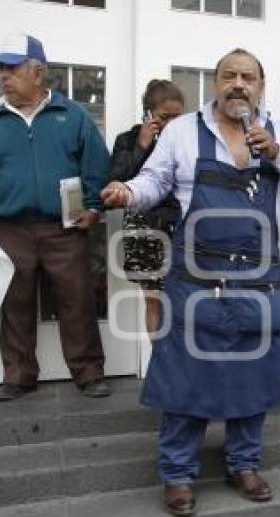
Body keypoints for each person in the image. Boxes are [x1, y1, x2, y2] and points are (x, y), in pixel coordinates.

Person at [101, 48, 280, 517]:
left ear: (261, 86)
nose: (238, 84)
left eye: (248, 77)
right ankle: (177, 472)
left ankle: (243, 462)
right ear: (214, 83)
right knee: (185, 376)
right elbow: (154, 181)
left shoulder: (276, 133)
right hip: (195, 280)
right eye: (229, 76)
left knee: (253, 373)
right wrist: (127, 192)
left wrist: (277, 154)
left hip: (257, 281)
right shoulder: (182, 131)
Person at [0, 33, 110, 401]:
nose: (4, 78)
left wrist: (94, 206)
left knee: (77, 299)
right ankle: (19, 375)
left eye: (12, 69)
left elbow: (96, 164)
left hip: (66, 227)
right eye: (2, 71)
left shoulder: (71, 114)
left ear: (38, 73)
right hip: (13, 229)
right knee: (15, 302)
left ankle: (89, 372)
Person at [109, 79, 185, 335]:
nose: (172, 124)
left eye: (178, 117)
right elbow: (119, 178)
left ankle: (181, 363)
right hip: (145, 228)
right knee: (153, 298)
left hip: (180, 225)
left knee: (183, 298)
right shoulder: (128, 140)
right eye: (165, 117)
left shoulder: (186, 142)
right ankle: (158, 363)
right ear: (148, 114)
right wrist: (142, 144)